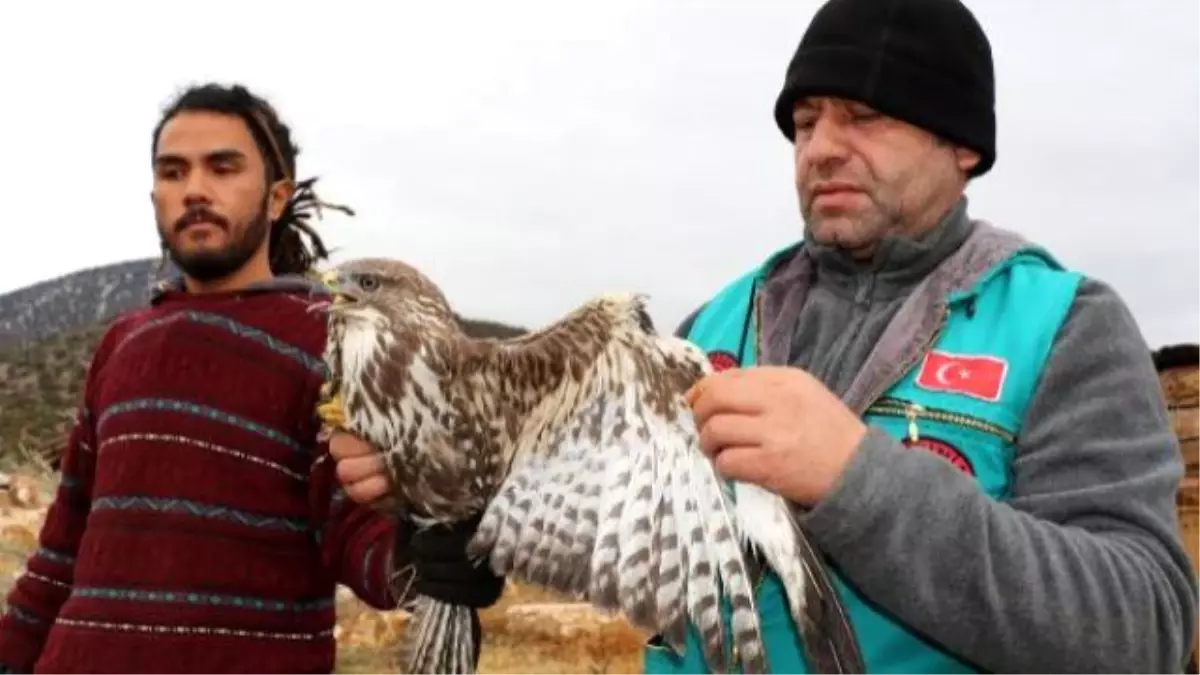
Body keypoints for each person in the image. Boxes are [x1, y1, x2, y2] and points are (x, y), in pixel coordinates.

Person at [644, 0, 1199, 673]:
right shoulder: (712, 327)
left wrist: (856, 479)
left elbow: (1140, 630)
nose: (820, 148)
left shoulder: (1066, 328)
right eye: (805, 122)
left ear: (963, 144)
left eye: (864, 116)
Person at [0, 82, 503, 675]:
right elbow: (62, 549)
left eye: (223, 167)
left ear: (276, 197)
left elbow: (354, 528)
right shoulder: (123, 340)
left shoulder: (331, 341)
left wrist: (427, 552)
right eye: (172, 171)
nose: (193, 189)